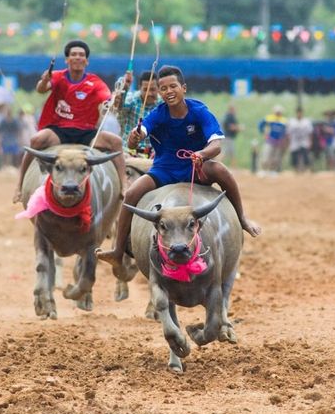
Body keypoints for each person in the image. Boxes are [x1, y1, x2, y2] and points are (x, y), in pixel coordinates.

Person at [96, 65, 261, 278]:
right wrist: (135, 137)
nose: (168, 91)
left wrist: (202, 154)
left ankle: (242, 218)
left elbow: (216, 145)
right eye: (163, 88)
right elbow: (139, 134)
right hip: (164, 169)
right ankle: (118, 251)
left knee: (221, 171)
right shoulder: (158, 113)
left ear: (183, 88)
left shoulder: (199, 111)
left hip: (196, 166)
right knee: (131, 194)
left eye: (173, 86)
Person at [12, 40, 126, 203]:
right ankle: (19, 184)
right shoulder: (58, 76)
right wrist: (44, 80)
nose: (77, 57)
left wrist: (114, 100)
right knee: (35, 140)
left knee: (115, 142)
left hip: (86, 132)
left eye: (81, 55)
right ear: (67, 59)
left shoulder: (94, 82)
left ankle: (123, 185)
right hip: (60, 130)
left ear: (86, 61)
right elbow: (41, 89)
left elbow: (107, 99)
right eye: (73, 54)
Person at [116, 70, 161, 157]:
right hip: (129, 151)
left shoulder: (163, 104)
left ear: (158, 88)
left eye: (152, 89)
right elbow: (120, 107)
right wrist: (124, 89)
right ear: (140, 87)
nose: (149, 94)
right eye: (145, 89)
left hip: (154, 154)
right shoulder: (132, 99)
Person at [258, 105, 287, 175]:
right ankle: (263, 170)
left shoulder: (284, 120)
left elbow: (285, 131)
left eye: (279, 112)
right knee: (266, 155)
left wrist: (283, 139)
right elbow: (260, 125)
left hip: (278, 142)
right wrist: (263, 133)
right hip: (269, 140)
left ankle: (272, 170)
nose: (278, 113)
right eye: (277, 111)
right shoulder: (269, 118)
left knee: (275, 158)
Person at [287, 107, 313, 173]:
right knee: (294, 156)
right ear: (296, 113)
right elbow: (288, 133)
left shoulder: (306, 121)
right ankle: (295, 170)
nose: (299, 114)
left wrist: (310, 141)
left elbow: (310, 132)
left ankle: (307, 169)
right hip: (294, 141)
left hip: (304, 141)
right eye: (298, 112)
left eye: (300, 112)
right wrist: (288, 142)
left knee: (305, 155)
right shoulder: (292, 121)